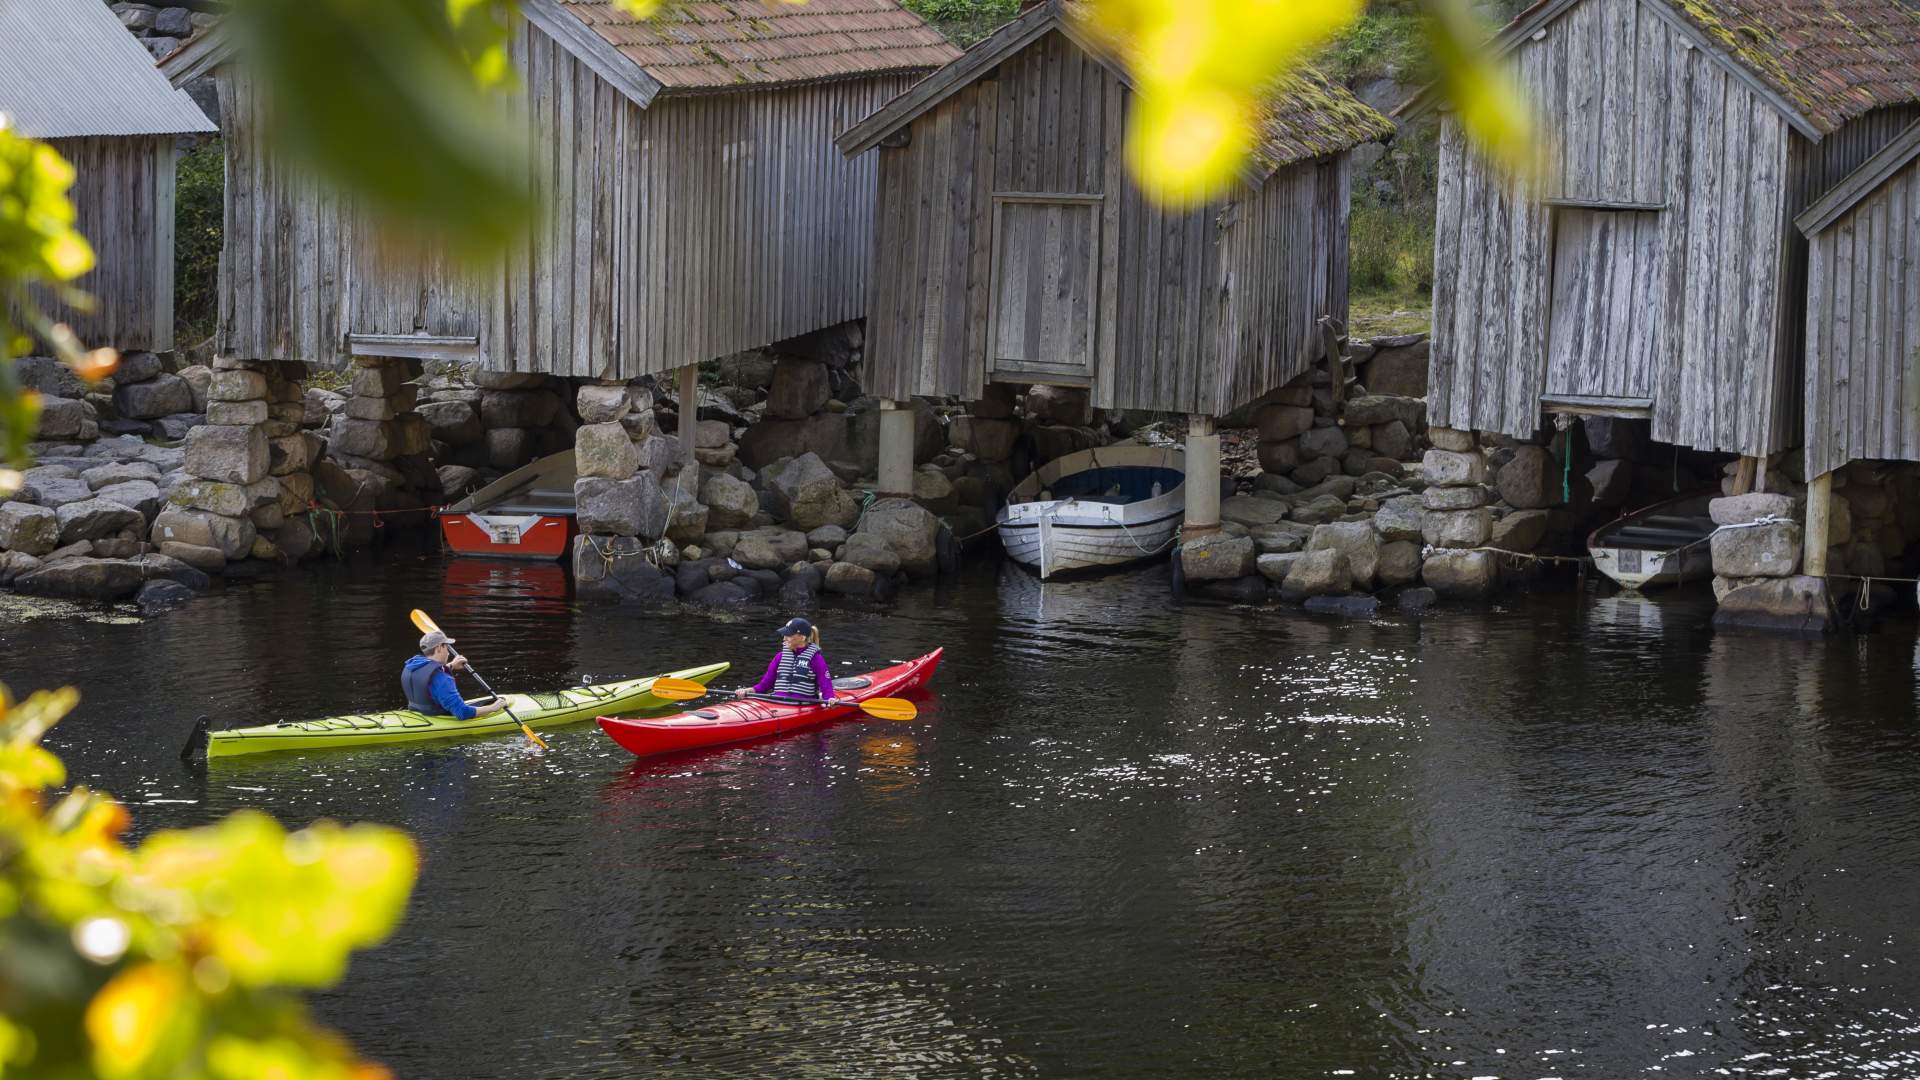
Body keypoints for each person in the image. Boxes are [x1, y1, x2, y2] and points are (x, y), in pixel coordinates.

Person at [738, 617, 845, 703]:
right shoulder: (779, 657)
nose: (784, 638)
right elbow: (764, 685)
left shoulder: (816, 659)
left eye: (788, 635)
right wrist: (747, 691)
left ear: (802, 637)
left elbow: (826, 685)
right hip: (776, 703)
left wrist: (830, 699)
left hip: (803, 704)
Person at [402, 630, 506, 719]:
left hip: (417, 714)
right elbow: (462, 713)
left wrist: (450, 665)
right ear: (439, 648)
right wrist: (493, 708)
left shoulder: (411, 665)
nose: (448, 652)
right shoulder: (443, 679)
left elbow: (427, 675)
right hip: (437, 717)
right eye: (446, 647)